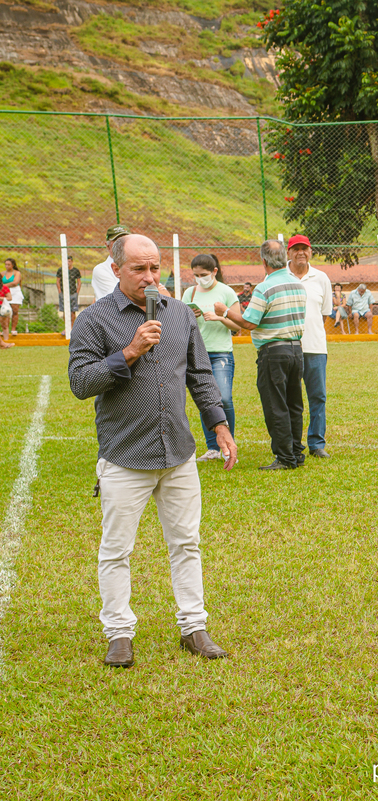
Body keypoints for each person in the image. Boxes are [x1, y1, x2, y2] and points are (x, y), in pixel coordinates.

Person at [67, 233, 236, 668]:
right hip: (125, 455)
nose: (149, 277)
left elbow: (199, 375)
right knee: (116, 550)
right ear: (115, 268)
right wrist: (129, 352)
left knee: (187, 543)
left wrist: (219, 425)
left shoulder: (180, 314)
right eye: (139, 268)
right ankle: (119, 634)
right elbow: (81, 383)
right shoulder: (94, 320)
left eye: (155, 268)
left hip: (178, 453)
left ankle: (193, 628)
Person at [214, 240, 307, 470]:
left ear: (263, 261)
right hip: (296, 349)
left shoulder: (264, 288)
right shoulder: (298, 284)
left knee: (276, 405)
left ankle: (285, 458)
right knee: (294, 403)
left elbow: (249, 322)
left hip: (273, 352)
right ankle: (296, 452)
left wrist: (224, 311)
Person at [182, 254, 240, 462]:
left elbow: (238, 326)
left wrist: (220, 317)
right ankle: (213, 448)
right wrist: (190, 315)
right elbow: (181, 321)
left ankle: (229, 445)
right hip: (197, 353)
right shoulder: (190, 292)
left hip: (221, 353)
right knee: (206, 400)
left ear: (214, 272)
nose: (200, 279)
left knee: (223, 398)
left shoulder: (226, 292)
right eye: (196, 275)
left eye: (204, 275)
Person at [285, 235, 334, 459]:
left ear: (311, 252)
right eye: (296, 249)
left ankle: (316, 443)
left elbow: (324, 314)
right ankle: (291, 443)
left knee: (318, 396)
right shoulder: (279, 277)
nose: (300, 253)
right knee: (288, 398)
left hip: (315, 348)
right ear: (288, 253)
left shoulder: (321, 278)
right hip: (286, 346)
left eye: (304, 249)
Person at [91, 225, 131, 302]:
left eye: (125, 240)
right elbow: (118, 299)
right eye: (117, 242)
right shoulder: (101, 270)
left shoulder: (141, 265)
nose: (122, 245)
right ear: (107, 246)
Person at [57, 254, 81, 328]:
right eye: (66, 261)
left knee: (73, 311)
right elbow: (58, 281)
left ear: (72, 262)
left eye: (69, 261)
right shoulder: (61, 270)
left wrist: (77, 292)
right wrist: (60, 291)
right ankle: (66, 327)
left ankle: (72, 326)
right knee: (65, 311)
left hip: (73, 293)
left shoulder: (76, 271)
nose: (68, 263)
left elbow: (79, 282)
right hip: (63, 293)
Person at [4, 256, 24, 331]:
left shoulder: (17, 273)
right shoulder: (2, 273)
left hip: (15, 292)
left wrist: (3, 285)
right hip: (6, 293)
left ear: (13, 265)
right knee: (6, 312)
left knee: (15, 311)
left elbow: (15, 283)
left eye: (8, 264)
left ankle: (13, 329)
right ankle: (5, 329)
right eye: (6, 264)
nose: (7, 266)